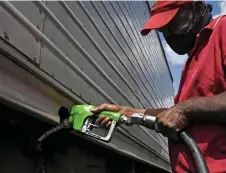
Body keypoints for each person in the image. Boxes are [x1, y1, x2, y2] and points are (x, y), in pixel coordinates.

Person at [91, 1, 226, 173]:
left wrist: (186, 109)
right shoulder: (193, 58)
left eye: (173, 25)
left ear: (198, 9)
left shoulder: (223, 30)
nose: (169, 36)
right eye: (163, 31)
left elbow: (185, 111)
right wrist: (124, 112)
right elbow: (174, 115)